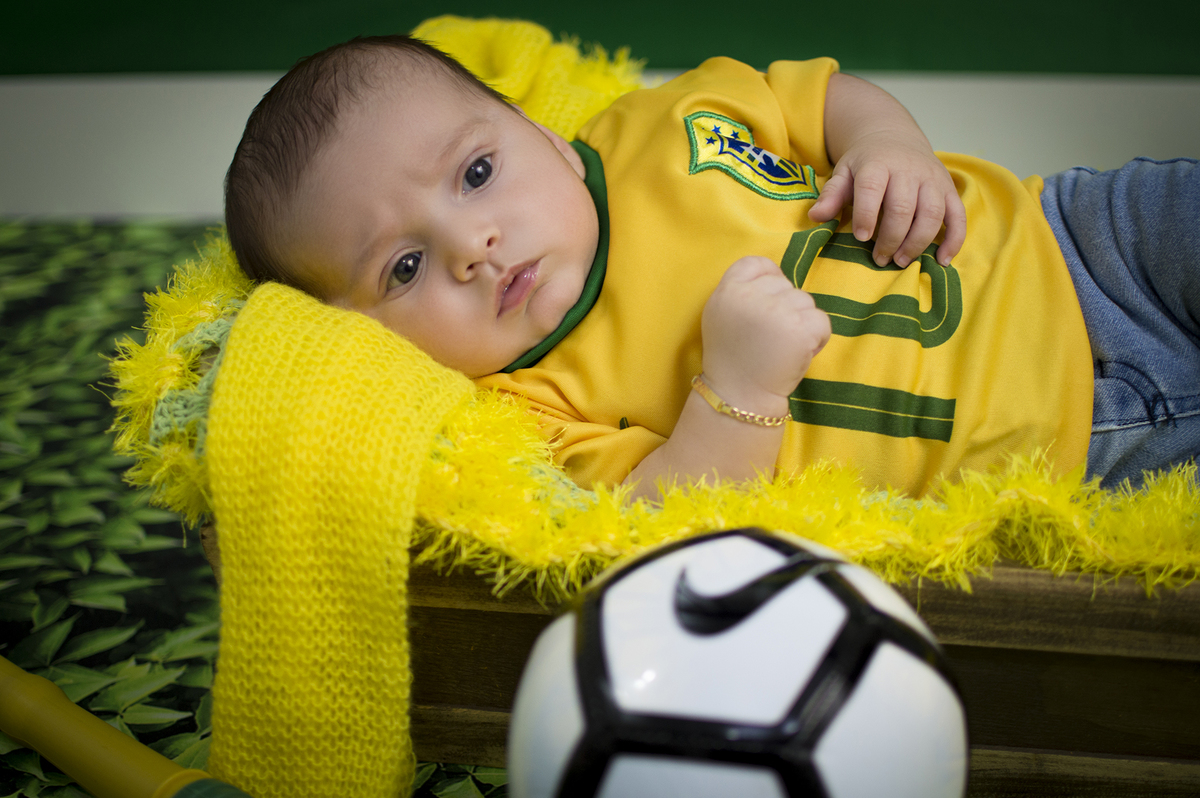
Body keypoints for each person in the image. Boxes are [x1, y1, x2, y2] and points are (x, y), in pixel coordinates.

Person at [224, 34, 1199, 499]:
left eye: (478, 172)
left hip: (1074, 239)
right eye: (402, 269)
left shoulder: (663, 122)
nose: (472, 248)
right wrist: (735, 389)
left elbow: (820, 99)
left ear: (545, 135)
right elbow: (671, 508)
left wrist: (889, 147)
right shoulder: (526, 412)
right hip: (1062, 443)